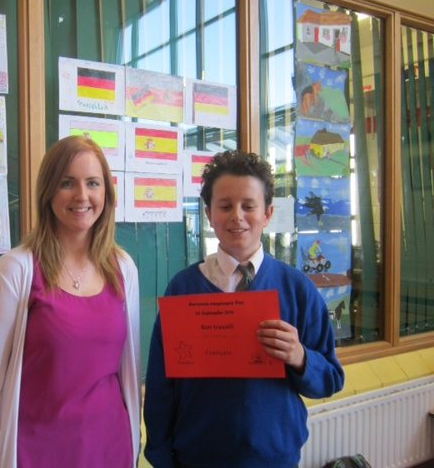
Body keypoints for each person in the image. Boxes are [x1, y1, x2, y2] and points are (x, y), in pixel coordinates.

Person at [143, 150, 344, 468]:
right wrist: (160, 455)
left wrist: (300, 357)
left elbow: (331, 378)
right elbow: (160, 386)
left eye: (249, 206)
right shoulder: (183, 288)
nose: (237, 216)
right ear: (209, 214)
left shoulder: (297, 289)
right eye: (225, 206)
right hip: (196, 457)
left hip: (274, 459)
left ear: (267, 213)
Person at [0, 135, 141, 468]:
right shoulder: (15, 271)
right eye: (67, 183)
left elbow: (130, 372)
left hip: (110, 449)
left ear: (107, 193)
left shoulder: (123, 269)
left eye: (93, 183)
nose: (82, 196)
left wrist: (134, 449)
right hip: (36, 453)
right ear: (48, 192)